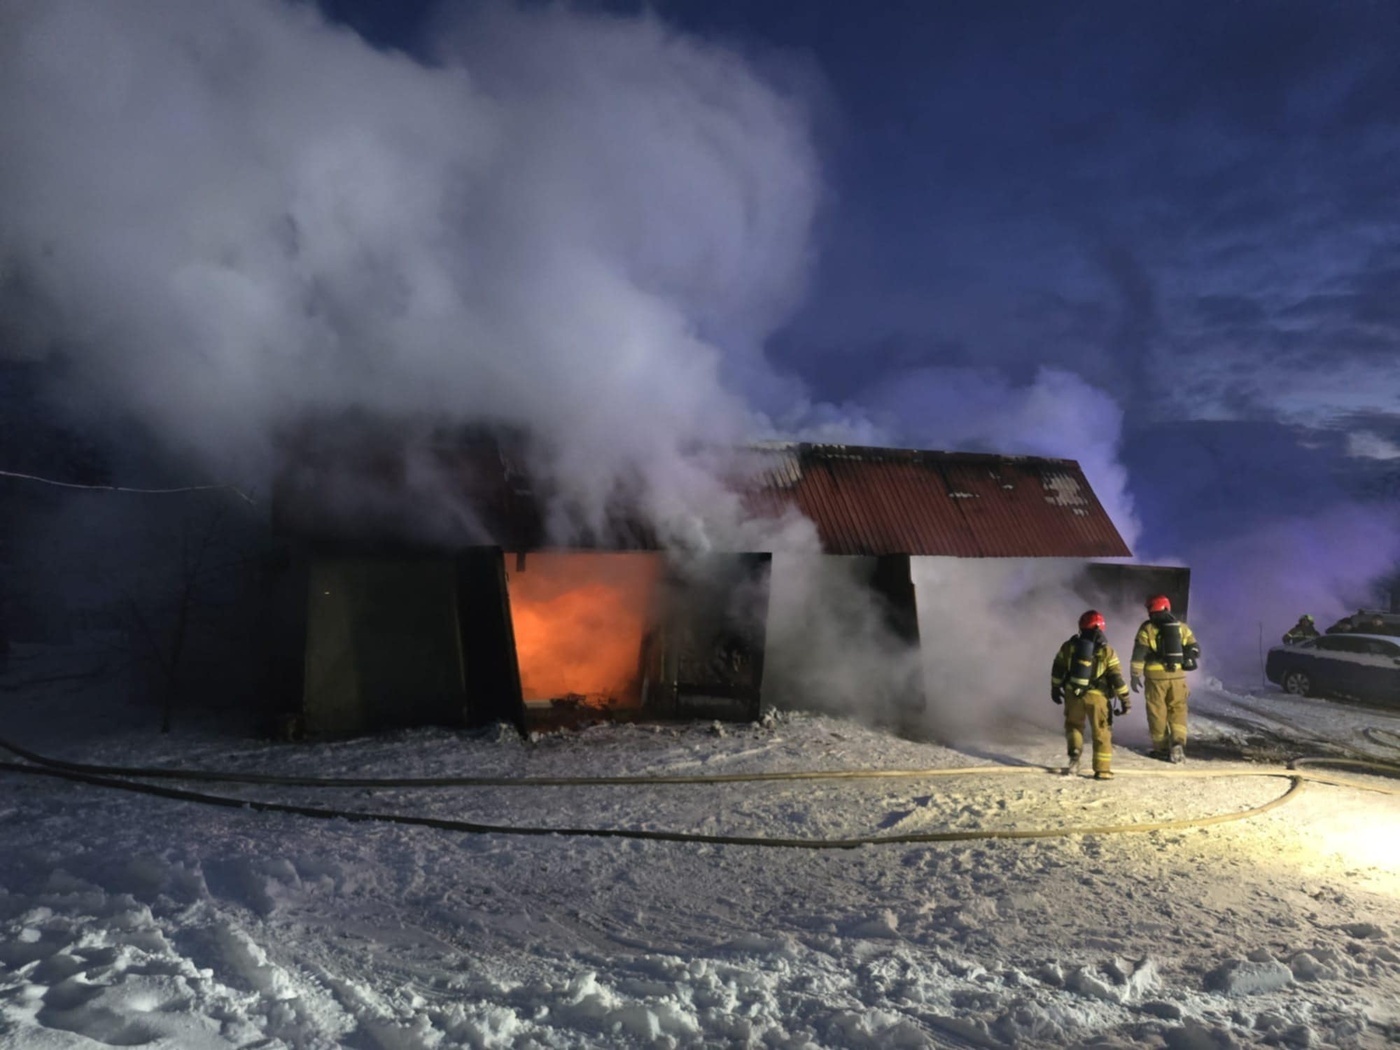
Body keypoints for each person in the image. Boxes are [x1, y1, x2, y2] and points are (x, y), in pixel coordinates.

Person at [1051, 609, 1131, 781]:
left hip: (1073, 694)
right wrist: (1125, 699)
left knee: (1073, 726)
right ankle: (1102, 770)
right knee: (1101, 731)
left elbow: (1058, 667)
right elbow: (1116, 678)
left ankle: (1074, 753)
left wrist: (1055, 688)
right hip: (1097, 698)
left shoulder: (1069, 646)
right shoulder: (1107, 651)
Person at [1131, 595, 1200, 764]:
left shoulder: (1147, 629)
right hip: (1177, 677)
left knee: (1157, 712)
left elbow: (1139, 654)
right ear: (1167, 607)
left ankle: (1161, 749)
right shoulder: (1182, 628)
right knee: (1178, 709)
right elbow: (1195, 648)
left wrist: (1135, 675)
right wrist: (1187, 658)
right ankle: (1178, 742)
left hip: (1155, 678)